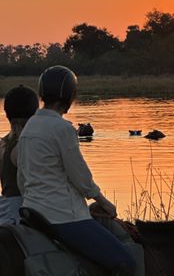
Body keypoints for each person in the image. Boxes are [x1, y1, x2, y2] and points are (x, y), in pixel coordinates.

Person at [17, 66, 135, 276]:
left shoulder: (29, 127)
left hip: (32, 211)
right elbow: (81, 178)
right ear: (70, 95)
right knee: (125, 262)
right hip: (63, 217)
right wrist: (104, 202)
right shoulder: (63, 129)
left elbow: (22, 178)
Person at [0, 85, 39, 225]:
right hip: (22, 213)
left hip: (5, 208)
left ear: (7, 114)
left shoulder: (3, 143)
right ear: (35, 112)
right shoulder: (26, 146)